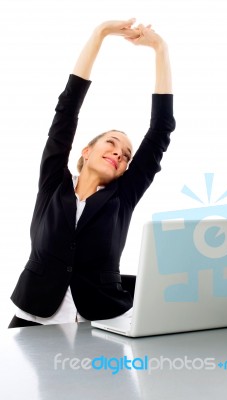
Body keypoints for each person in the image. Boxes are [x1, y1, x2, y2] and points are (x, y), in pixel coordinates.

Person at [8, 19, 176, 328]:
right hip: (35, 313)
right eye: (111, 144)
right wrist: (100, 33)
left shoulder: (121, 197)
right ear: (86, 151)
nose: (118, 153)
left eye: (125, 155)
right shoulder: (53, 184)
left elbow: (161, 129)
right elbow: (67, 110)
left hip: (102, 317)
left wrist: (160, 49)